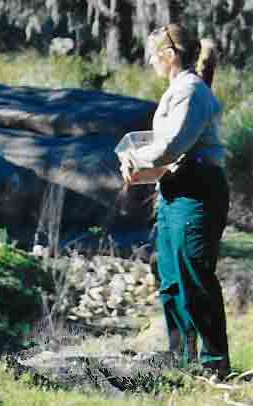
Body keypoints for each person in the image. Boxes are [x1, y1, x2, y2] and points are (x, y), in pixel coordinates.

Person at [119, 23, 230, 379]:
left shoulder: (191, 91)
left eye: (153, 55)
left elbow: (171, 146)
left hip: (197, 190)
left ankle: (214, 363)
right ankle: (181, 356)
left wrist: (137, 158)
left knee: (195, 275)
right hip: (175, 187)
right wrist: (140, 161)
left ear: (168, 55)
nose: (150, 62)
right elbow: (166, 147)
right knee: (170, 275)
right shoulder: (178, 90)